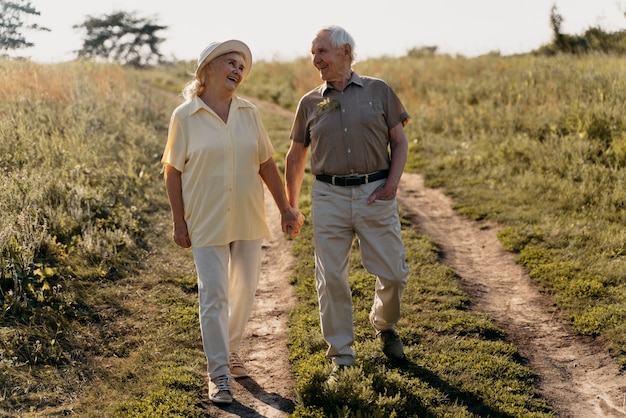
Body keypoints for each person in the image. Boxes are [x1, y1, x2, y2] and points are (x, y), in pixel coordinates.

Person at [161, 39, 304, 405]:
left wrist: (286, 208)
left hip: (246, 215)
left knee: (243, 291)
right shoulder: (185, 116)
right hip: (205, 218)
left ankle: (231, 349)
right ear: (207, 68)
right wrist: (179, 222)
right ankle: (219, 373)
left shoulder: (249, 112)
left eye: (241, 66)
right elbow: (172, 172)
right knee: (214, 294)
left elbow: (266, 164)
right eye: (230, 63)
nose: (238, 71)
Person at [285, 26, 410, 379]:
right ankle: (341, 352)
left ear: (345, 51)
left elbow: (399, 142)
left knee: (394, 273)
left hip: (376, 192)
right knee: (331, 278)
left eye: (322, 51)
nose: (316, 60)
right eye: (313, 53)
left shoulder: (379, 90)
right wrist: (290, 207)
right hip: (329, 195)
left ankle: (384, 325)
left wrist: (392, 184)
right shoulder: (309, 102)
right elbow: (295, 157)